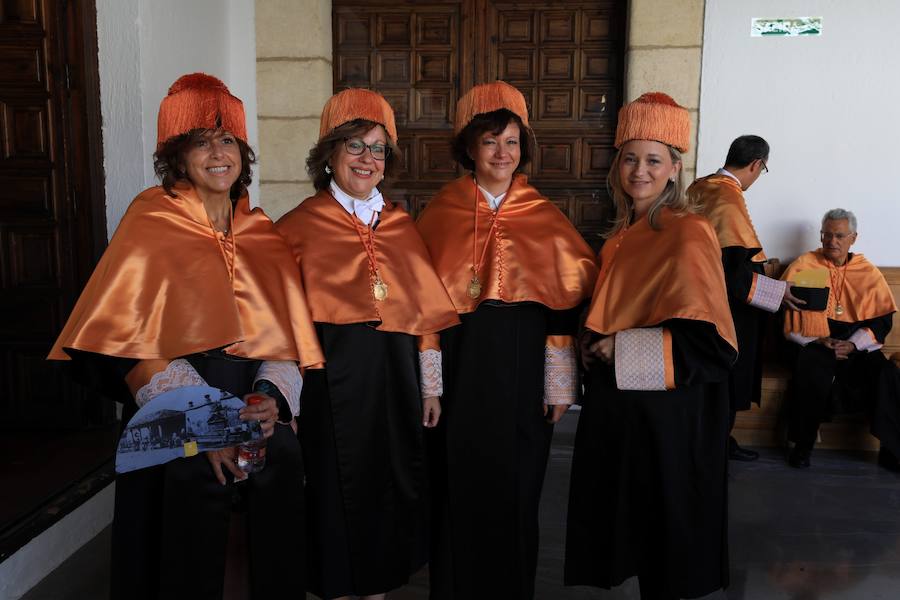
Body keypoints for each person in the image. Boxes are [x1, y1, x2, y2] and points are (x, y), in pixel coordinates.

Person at [48, 73, 323, 599]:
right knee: (182, 513)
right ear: (176, 157)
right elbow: (118, 345)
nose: (218, 154)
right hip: (174, 411)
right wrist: (203, 422)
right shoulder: (149, 221)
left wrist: (269, 400)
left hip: (251, 405)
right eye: (200, 142)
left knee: (277, 490)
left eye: (227, 140)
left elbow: (286, 340)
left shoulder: (263, 232)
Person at [275, 88, 460, 600]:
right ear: (329, 155)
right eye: (355, 146)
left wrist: (431, 389)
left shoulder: (402, 226)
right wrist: (285, 399)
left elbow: (425, 317)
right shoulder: (294, 228)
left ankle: (378, 588)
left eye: (378, 149)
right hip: (328, 383)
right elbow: (281, 325)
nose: (367, 159)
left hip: (396, 382)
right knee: (334, 493)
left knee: (389, 488)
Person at [416, 81, 598, 599]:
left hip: (523, 367)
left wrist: (560, 387)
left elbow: (562, 310)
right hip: (460, 363)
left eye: (513, 142)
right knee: (455, 486)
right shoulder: (440, 211)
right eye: (491, 141)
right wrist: (430, 385)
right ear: (469, 148)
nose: (503, 153)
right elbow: (424, 310)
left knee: (519, 490)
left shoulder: (543, 213)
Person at [565, 92, 738, 600]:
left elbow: (711, 342)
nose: (640, 170)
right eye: (631, 158)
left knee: (666, 543)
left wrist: (623, 347)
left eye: (654, 160)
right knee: (636, 533)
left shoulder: (688, 231)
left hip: (671, 415)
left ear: (674, 168)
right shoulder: (622, 235)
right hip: (626, 413)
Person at [689, 135, 803, 462]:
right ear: (756, 164)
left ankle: (707, 438)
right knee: (730, 372)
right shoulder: (727, 198)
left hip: (699, 297)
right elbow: (734, 271)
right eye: (762, 170)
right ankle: (717, 443)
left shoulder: (700, 187)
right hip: (731, 309)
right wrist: (777, 293)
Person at [781, 209, 899, 470]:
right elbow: (789, 313)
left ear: (853, 238)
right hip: (813, 340)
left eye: (839, 235)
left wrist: (854, 343)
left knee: (884, 372)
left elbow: (881, 321)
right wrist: (818, 341)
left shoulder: (868, 272)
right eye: (827, 235)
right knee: (814, 364)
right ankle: (803, 445)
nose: (832, 241)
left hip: (855, 343)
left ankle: (892, 449)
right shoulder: (804, 265)